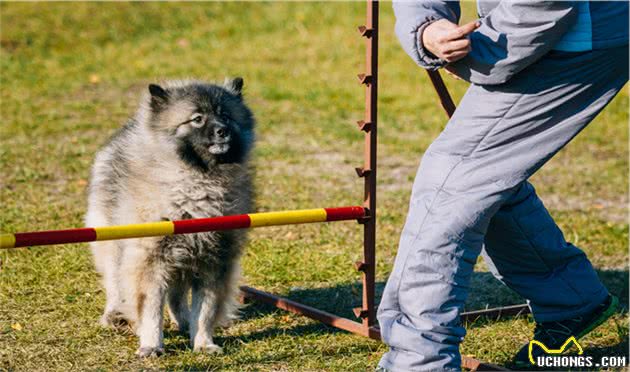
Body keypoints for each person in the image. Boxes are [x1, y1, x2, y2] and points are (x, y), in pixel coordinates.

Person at [377, 1, 629, 370]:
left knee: (449, 185)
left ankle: (420, 360)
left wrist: (479, 53)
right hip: (560, 29)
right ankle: (569, 297)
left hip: (573, 34)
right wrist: (427, 29)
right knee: (481, 175)